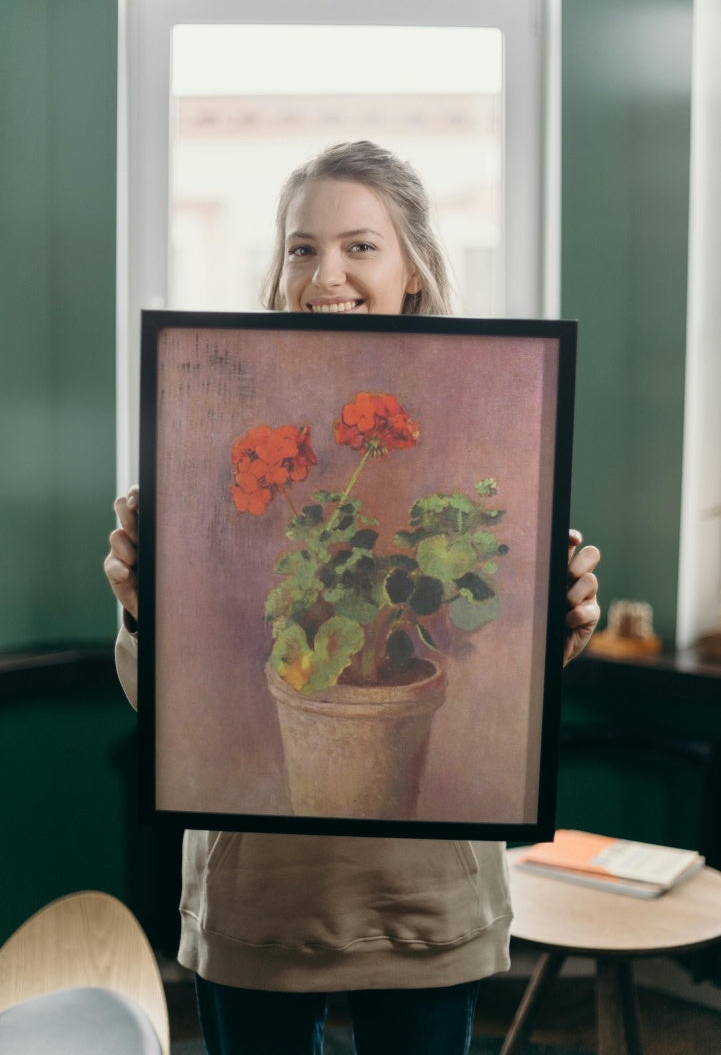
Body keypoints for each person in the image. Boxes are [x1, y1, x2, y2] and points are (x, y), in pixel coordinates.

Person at [105, 141, 601, 1055]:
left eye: (358, 246)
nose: (324, 273)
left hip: (422, 895)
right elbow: (164, 703)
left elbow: (507, 671)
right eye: (301, 247)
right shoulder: (206, 410)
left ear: (413, 266)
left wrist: (560, 622)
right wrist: (141, 610)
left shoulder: (496, 405)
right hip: (258, 895)